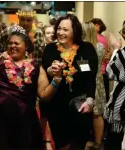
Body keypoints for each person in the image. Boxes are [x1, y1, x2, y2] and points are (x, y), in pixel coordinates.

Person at [0, 25, 63, 150]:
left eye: (16, 43)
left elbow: (44, 96)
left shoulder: (37, 67)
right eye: (10, 43)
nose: (12, 46)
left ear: (26, 46)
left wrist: (57, 79)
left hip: (23, 122)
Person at [42, 14, 98, 150]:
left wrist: (90, 101)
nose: (60, 32)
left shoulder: (86, 49)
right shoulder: (50, 49)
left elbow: (91, 77)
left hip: (80, 105)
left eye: (65, 30)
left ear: (75, 31)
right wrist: (51, 71)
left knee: (78, 144)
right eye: (59, 29)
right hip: (57, 107)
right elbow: (44, 73)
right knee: (62, 144)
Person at [82, 22, 106, 150]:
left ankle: (85, 141)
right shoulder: (100, 46)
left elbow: (84, 68)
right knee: (98, 113)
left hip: (88, 81)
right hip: (99, 80)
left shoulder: (83, 48)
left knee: (87, 112)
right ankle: (98, 142)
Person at [104, 21, 125, 150]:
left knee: (115, 142)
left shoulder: (122, 53)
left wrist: (116, 49)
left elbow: (110, 72)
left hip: (121, 105)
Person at [90, 18, 111, 102]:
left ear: (97, 26)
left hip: (99, 71)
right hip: (104, 69)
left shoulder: (97, 38)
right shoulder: (103, 37)